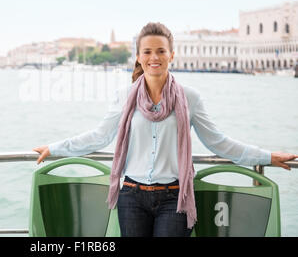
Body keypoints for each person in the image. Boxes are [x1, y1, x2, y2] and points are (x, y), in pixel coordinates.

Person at [33, 22, 298, 237]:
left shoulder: (189, 98)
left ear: (171, 55)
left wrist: (266, 157)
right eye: (147, 52)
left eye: (160, 51)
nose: (154, 57)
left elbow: (218, 143)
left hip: (175, 198)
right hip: (132, 197)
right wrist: (54, 148)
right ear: (138, 56)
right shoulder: (125, 96)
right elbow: (100, 136)